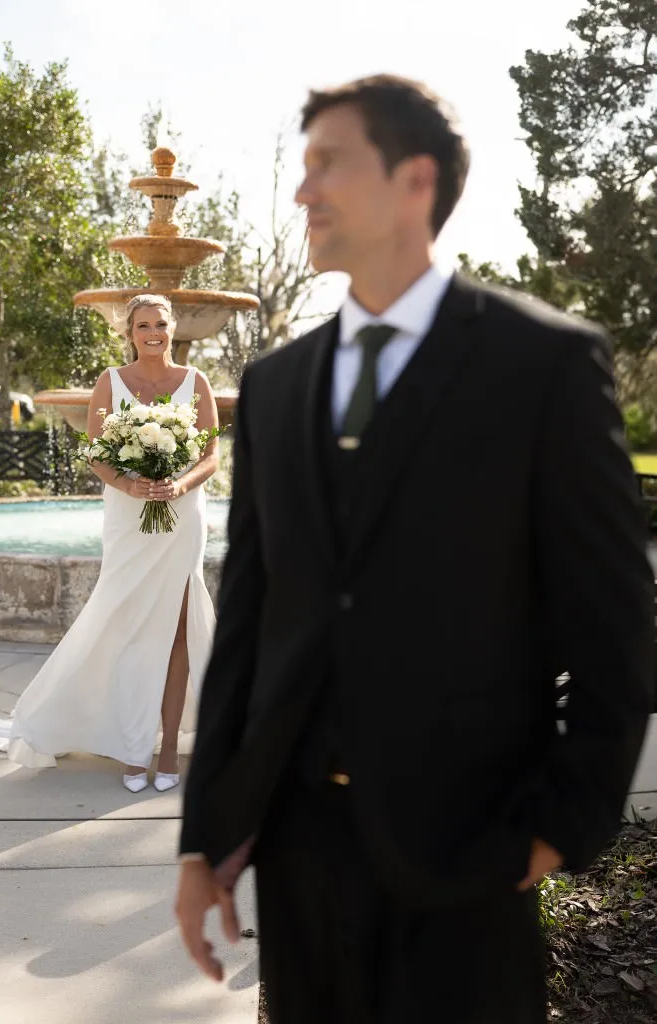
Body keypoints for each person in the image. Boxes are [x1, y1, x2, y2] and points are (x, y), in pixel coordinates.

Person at [175, 76, 654, 1024]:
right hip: (300, 858)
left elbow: (616, 624)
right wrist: (207, 836)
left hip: (472, 857)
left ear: (415, 179)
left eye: (328, 163)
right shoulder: (274, 386)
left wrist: (559, 827)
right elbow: (250, 626)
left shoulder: (544, 364)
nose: (303, 190)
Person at [0, 294, 217, 794]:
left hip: (182, 516)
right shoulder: (111, 381)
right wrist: (129, 484)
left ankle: (167, 747)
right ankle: (132, 746)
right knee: (129, 628)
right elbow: (96, 454)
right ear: (129, 333)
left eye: (161, 324)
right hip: (128, 516)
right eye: (143, 325)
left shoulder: (196, 382)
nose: (153, 333)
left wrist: (179, 485)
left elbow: (211, 454)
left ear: (173, 328)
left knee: (177, 633)